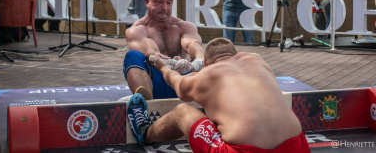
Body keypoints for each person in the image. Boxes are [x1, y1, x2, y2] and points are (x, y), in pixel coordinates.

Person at [127, 37, 310, 152]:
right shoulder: (257, 60)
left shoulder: (206, 75)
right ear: (235, 55)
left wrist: (161, 65)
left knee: (183, 112)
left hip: (242, 150)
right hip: (296, 146)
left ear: (206, 64)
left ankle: (144, 132)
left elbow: (174, 81)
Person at [124, 0, 205, 99]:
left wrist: (199, 59)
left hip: (180, 81)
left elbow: (192, 43)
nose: (164, 8)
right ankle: (147, 105)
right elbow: (151, 51)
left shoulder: (184, 26)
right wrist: (171, 63)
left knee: (218, 52)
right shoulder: (137, 29)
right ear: (147, 2)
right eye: (159, 2)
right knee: (132, 56)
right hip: (155, 83)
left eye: (169, 3)